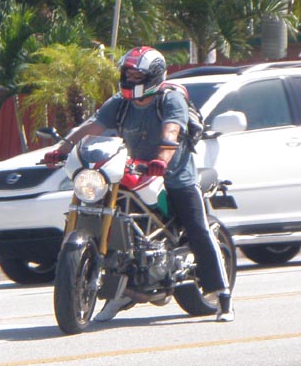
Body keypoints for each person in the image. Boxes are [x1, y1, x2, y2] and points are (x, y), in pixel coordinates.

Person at [41, 46, 233, 322]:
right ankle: (122, 292)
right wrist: (62, 148)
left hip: (174, 176)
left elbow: (172, 129)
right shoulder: (121, 102)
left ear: (153, 76)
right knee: (115, 218)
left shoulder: (170, 99)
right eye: (127, 74)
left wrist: (161, 160)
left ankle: (223, 295)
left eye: (136, 75)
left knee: (197, 228)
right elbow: (93, 126)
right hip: (132, 171)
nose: (130, 79)